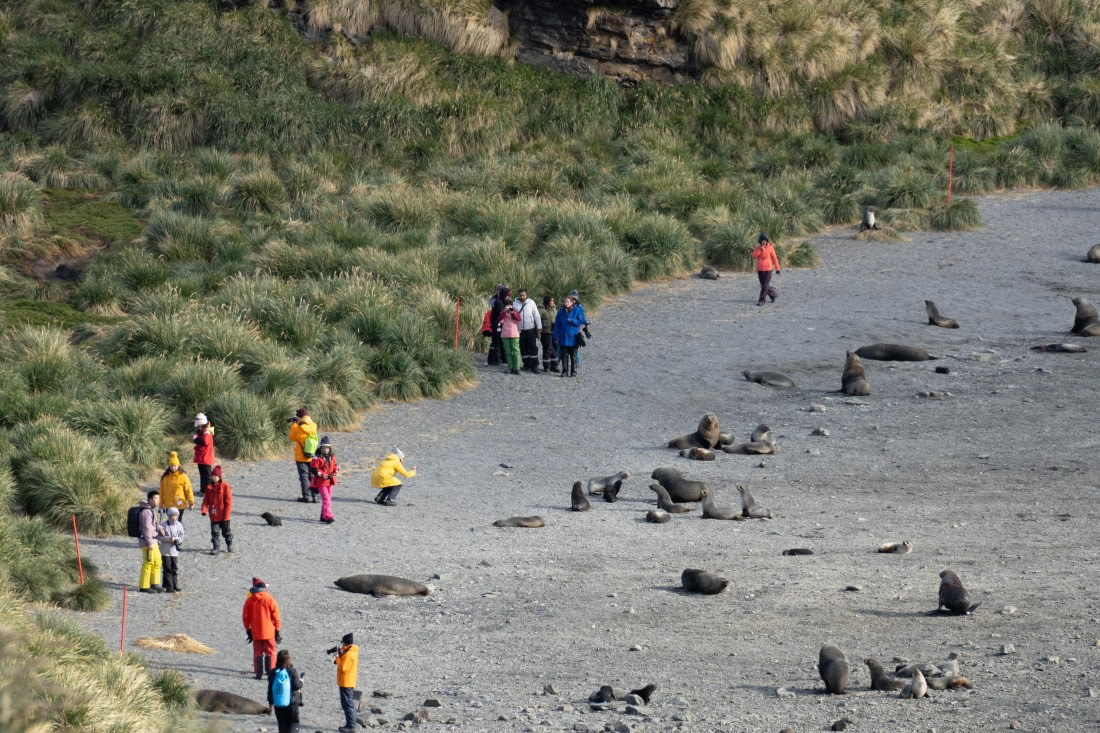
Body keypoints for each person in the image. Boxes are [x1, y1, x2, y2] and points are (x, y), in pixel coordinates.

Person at [243, 577, 282, 680]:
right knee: (270, 651)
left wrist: (248, 630)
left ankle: (258, 673)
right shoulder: (269, 599)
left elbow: (245, 617)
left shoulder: (249, 601)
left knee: (257, 652)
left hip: (256, 632)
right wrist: (277, 630)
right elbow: (276, 616)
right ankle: (270, 672)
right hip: (269, 631)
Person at [267, 649, 304, 733]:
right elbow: (296, 686)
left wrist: (270, 702)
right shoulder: (292, 671)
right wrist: (302, 681)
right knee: (294, 723)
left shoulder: (273, 672)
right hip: (292, 703)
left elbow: (270, 689)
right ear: (288, 659)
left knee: (282, 725)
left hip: (278, 702)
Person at [200, 465, 233, 555]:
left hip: (224, 515)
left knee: (226, 532)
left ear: (219, 477)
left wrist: (226, 515)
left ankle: (229, 544)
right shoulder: (208, 487)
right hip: (214, 515)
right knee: (215, 533)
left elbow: (229, 503)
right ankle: (216, 548)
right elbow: (206, 500)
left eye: (216, 476)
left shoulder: (226, 486)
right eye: (213, 476)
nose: (214, 478)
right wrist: (204, 510)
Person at [553, 295, 587, 378]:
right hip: (563, 336)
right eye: (565, 302)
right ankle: (565, 371)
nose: (566, 303)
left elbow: (580, 321)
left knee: (573, 356)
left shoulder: (577, 310)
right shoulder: (561, 312)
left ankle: (573, 371)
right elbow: (557, 324)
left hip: (573, 336)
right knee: (564, 355)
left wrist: (572, 320)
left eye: (568, 302)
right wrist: (555, 335)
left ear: (572, 302)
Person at [288, 407, 318, 503]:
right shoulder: (313, 425)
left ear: (299, 417)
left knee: (304, 476)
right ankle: (315, 497)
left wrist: (293, 424)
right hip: (312, 454)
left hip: (301, 456)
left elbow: (292, 437)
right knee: (313, 476)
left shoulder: (298, 428)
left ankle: (306, 496)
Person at [137, 490, 165, 593]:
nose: (158, 500)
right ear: (150, 499)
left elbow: (154, 525)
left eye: (158, 498)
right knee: (148, 563)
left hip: (154, 540)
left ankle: (154, 583)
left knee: (157, 562)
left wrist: (161, 530)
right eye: (156, 498)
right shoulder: (146, 512)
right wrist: (149, 543)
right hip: (148, 542)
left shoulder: (151, 510)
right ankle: (144, 586)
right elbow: (146, 529)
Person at [333, 632, 359, 733]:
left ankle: (351, 726)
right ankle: (350, 724)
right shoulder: (351, 651)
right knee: (348, 703)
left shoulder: (348, 654)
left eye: (343, 642)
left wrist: (337, 657)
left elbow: (343, 668)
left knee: (347, 704)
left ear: (346, 643)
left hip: (346, 682)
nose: (342, 644)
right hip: (348, 681)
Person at [309, 436, 339, 524]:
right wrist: (321, 474)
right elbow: (313, 468)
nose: (325, 449)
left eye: (327, 447)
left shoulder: (332, 457)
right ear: (321, 447)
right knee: (326, 499)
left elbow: (335, 465)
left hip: (330, 481)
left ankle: (323, 515)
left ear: (329, 448)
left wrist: (336, 471)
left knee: (328, 499)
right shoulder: (317, 458)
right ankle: (328, 516)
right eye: (324, 447)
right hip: (321, 482)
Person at [159, 451, 194, 522]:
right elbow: (161, 492)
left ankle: (179, 533)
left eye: (174, 465)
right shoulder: (165, 478)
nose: (173, 467)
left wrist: (191, 503)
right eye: (171, 466)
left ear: (178, 465)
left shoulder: (183, 476)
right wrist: (160, 505)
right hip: (168, 504)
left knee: (178, 522)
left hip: (180, 504)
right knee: (170, 522)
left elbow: (188, 490)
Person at [514, 289, 542, 372]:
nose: (522, 297)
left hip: (530, 329)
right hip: (519, 330)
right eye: (520, 295)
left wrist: (539, 327)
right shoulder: (515, 304)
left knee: (533, 347)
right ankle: (526, 365)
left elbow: (536, 315)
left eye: (523, 295)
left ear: (527, 295)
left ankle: (534, 366)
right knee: (523, 347)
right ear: (518, 295)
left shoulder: (531, 303)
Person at [159, 507, 185, 593]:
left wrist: (177, 540)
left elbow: (182, 536)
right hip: (165, 550)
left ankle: (175, 585)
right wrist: (169, 539)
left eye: (176, 515)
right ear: (169, 516)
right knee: (167, 569)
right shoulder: (163, 525)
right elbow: (159, 537)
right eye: (172, 515)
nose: (174, 517)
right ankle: (169, 587)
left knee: (174, 568)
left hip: (174, 551)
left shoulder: (179, 525)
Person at [752, 232, 781, 305]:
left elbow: (774, 258)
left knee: (765, 285)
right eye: (763, 240)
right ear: (760, 240)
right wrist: (760, 250)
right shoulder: (757, 248)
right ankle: (773, 295)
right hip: (760, 270)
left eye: (765, 240)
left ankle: (761, 300)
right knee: (764, 286)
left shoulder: (770, 248)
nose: (764, 242)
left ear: (767, 241)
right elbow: (754, 256)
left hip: (768, 270)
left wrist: (777, 268)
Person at [498, 296, 522, 375]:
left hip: (514, 334)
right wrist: (505, 312)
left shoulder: (514, 311)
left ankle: (517, 368)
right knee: (508, 352)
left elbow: (518, 319)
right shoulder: (502, 312)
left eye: (510, 305)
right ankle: (510, 367)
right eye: (507, 305)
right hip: (505, 334)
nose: (509, 307)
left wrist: (513, 313)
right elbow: (499, 320)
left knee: (515, 351)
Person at [193, 413, 215, 496]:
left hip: (205, 458)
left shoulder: (207, 432)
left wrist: (195, 438)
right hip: (203, 457)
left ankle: (208, 491)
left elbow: (204, 442)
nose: (198, 427)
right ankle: (203, 490)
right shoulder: (204, 431)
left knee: (207, 476)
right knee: (203, 475)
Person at [487, 284, 510, 366]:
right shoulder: (498, 303)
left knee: (501, 341)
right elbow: (502, 314)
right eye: (507, 295)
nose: (508, 297)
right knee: (496, 342)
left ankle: (502, 358)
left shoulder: (500, 301)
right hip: (497, 325)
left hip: (499, 324)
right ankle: (494, 359)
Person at [538, 295, 558, 373]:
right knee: (547, 349)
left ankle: (554, 366)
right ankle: (546, 366)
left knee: (555, 348)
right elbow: (537, 320)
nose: (552, 302)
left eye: (553, 301)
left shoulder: (554, 309)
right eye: (551, 301)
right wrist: (538, 333)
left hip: (554, 332)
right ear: (547, 302)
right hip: (545, 332)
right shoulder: (541, 310)